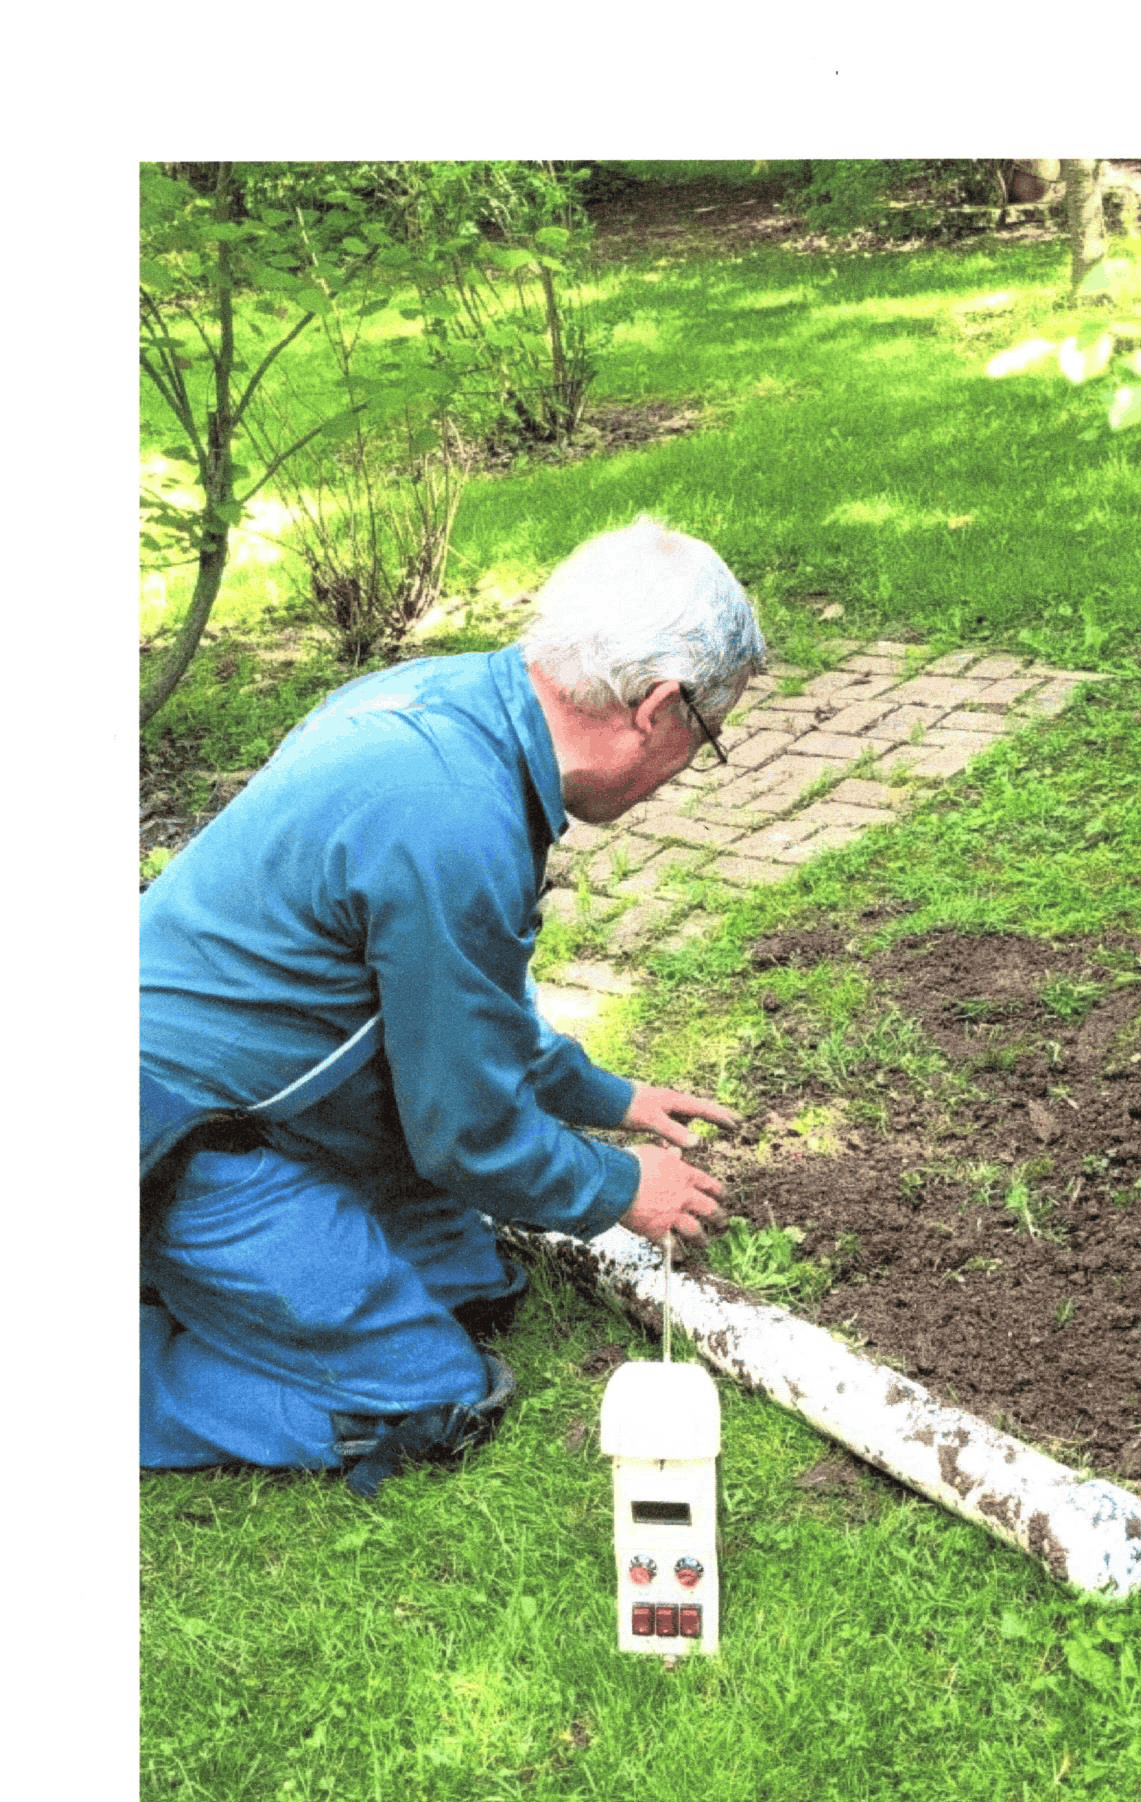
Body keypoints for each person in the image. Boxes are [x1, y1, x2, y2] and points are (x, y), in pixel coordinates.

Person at [141, 514, 762, 1493]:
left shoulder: (452, 706)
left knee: (478, 1289)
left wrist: (601, 1096)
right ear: (657, 707)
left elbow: (453, 1002)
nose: (691, 762)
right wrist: (616, 1187)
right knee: (428, 1397)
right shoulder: (453, 819)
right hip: (180, 1138)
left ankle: (219, 1287)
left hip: (267, 1102)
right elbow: (464, 1137)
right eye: (708, 735)